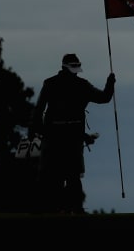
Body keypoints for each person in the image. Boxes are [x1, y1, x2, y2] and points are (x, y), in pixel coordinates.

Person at [29, 53, 115, 214]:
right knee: (71, 175)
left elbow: (38, 109)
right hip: (68, 137)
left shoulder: (50, 83)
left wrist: (36, 131)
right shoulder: (81, 85)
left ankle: (57, 208)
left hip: (56, 135)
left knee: (57, 175)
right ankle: (72, 208)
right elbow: (104, 97)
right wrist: (110, 83)